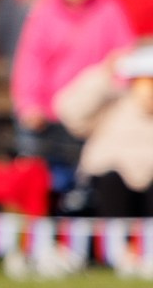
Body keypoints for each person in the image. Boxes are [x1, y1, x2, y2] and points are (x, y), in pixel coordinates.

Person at [9, 0, 134, 163]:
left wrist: (117, 87)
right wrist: (29, 104)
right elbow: (31, 62)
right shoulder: (45, 13)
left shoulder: (108, 10)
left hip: (97, 114)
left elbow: (124, 58)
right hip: (51, 116)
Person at [55, 45, 153, 218]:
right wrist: (105, 74)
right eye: (145, 82)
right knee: (111, 183)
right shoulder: (115, 103)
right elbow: (70, 112)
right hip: (110, 187)